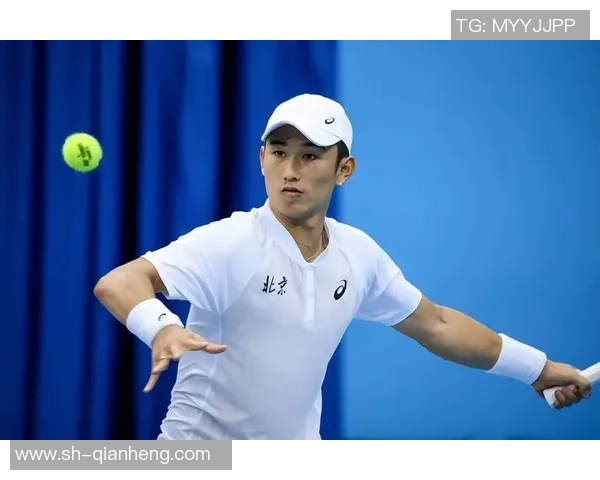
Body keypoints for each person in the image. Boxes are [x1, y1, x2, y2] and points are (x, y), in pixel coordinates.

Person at [94, 93, 591, 440]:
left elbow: (438, 325)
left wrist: (539, 369)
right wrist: (162, 327)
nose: (290, 170)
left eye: (310, 156)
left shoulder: (358, 255)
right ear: (262, 159)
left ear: (344, 169)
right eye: (279, 153)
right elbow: (120, 282)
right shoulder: (231, 242)